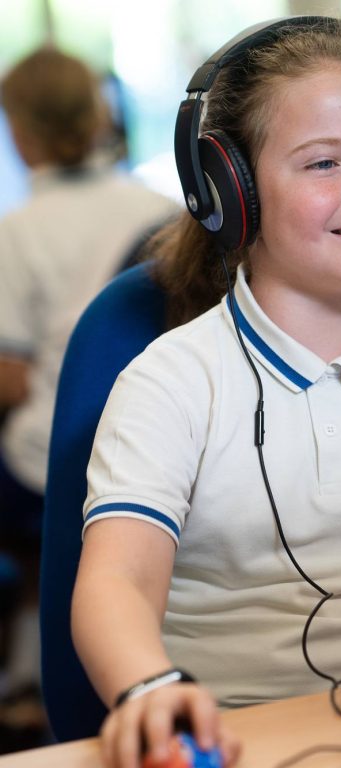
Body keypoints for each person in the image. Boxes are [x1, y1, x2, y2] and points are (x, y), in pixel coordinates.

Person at [70, 16, 341, 768]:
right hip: (219, 736)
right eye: (323, 164)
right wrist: (148, 687)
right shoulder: (170, 382)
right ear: (230, 189)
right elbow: (118, 579)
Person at [0, 47, 178, 725]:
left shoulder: (17, 232)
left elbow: (12, 381)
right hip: (160, 439)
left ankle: (25, 673)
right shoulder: (163, 205)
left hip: (49, 455)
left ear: (19, 132)